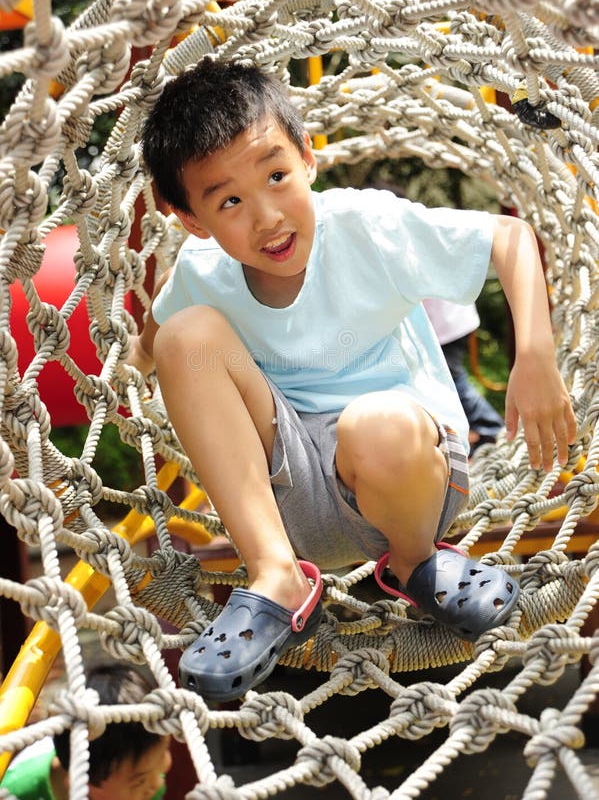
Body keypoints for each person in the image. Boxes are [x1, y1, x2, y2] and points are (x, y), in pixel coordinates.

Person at [130, 57, 576, 702]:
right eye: (229, 200)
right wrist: (120, 381)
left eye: (277, 176)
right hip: (283, 498)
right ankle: (277, 574)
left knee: (375, 426)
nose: (267, 217)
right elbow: (156, 346)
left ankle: (417, 561)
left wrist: (535, 355)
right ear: (192, 220)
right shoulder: (202, 271)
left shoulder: (367, 228)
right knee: (187, 334)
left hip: (406, 479)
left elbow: (509, 237)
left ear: (308, 158)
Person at [1, 663, 172, 800]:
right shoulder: (17, 792)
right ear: (84, 781)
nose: (157, 783)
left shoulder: (143, 780)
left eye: (163, 755)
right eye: (139, 781)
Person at [423, 298, 505, 453]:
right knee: (452, 381)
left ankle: (492, 429)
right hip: (451, 321)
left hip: (443, 326)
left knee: (452, 383)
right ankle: (490, 430)